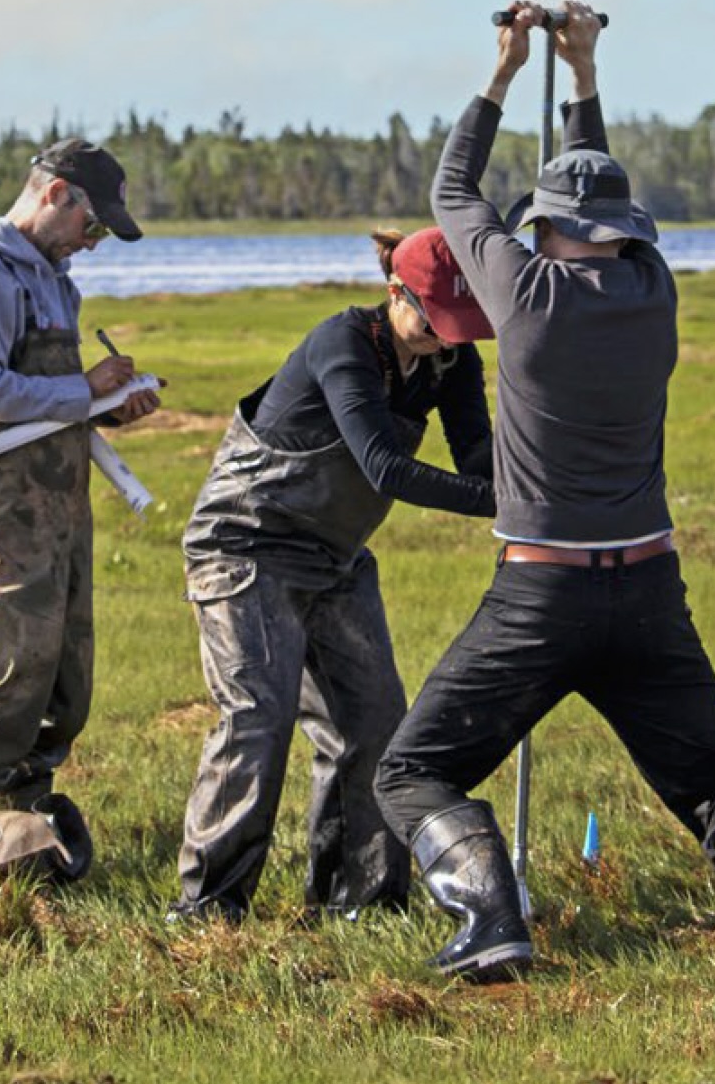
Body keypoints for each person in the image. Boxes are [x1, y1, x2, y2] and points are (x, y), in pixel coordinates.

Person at [373, 0, 715, 980]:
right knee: (711, 781)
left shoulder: (525, 291)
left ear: (541, 227)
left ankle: (490, 918)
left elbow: (452, 189)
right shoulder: (655, 290)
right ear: (627, 231)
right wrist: (581, 74)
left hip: (540, 594)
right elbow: (590, 202)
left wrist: (504, 70)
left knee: (411, 772)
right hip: (649, 589)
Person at [170, 226, 497, 922]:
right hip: (245, 547)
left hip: (335, 558)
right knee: (258, 716)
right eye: (436, 320)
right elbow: (383, 465)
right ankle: (208, 908)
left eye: (461, 326)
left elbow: (477, 457)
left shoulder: (453, 360)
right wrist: (498, 502)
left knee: (377, 723)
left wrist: (525, 490)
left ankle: (363, 903)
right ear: (394, 294)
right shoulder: (342, 344)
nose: (447, 339)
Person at [0, 137, 161, 843]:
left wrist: (109, 405)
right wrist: (82, 388)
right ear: (56, 194)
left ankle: (21, 826)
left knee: (62, 669)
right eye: (94, 226)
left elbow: (50, 400)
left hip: (60, 506)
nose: (93, 244)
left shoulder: (55, 279)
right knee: (4, 661)